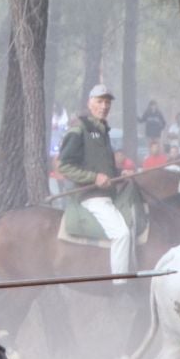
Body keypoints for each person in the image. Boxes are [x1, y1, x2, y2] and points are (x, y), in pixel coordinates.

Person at [57, 84, 131, 275]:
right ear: (90, 104)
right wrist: (93, 178)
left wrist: (119, 174)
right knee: (122, 234)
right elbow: (63, 166)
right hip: (92, 197)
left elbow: (103, 168)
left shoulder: (103, 131)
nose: (104, 106)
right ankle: (120, 283)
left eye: (107, 102)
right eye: (99, 101)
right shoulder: (79, 129)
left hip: (109, 194)